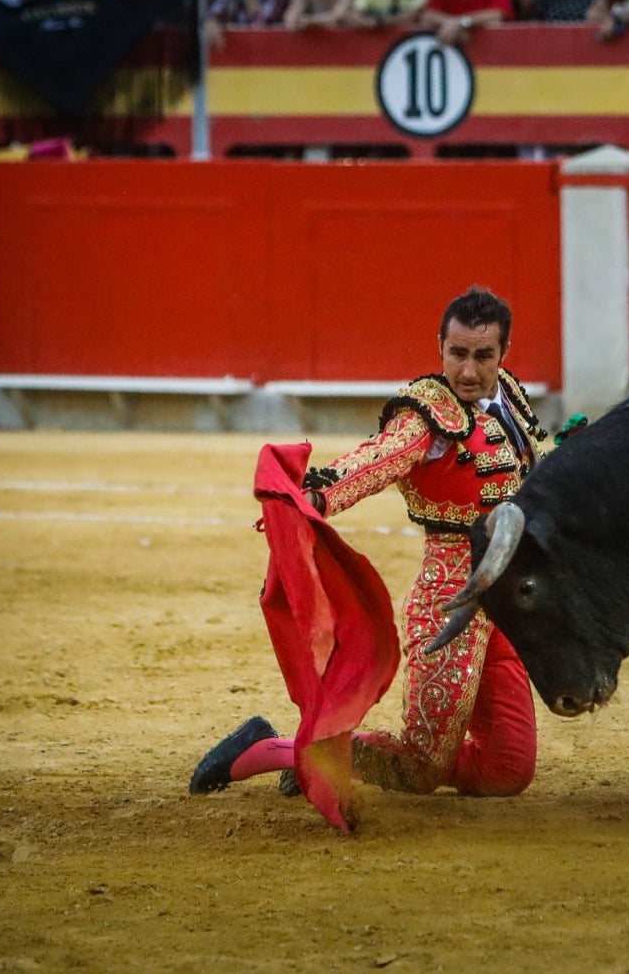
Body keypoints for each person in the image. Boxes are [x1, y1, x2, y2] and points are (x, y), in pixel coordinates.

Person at [189, 287, 544, 801]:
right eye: (457, 354)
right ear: (440, 347)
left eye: (482, 356)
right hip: (452, 607)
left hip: (507, 601)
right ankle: (270, 749)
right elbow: (377, 460)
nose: (467, 371)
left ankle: (328, 756)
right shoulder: (426, 417)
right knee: (420, 767)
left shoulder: (507, 394)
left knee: (508, 770)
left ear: (503, 355)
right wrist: (316, 494)